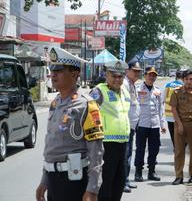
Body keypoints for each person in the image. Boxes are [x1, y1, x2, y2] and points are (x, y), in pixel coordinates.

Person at [35, 47, 104, 201]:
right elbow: (52, 146)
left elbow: (96, 151)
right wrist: (44, 180)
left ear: (74, 74)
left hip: (74, 181)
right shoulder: (55, 103)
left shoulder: (86, 105)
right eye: (52, 69)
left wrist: (93, 189)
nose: (53, 74)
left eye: (58, 70)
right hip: (52, 179)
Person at [90, 60, 131, 201]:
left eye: (120, 76)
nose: (117, 79)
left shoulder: (125, 92)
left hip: (123, 143)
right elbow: (88, 116)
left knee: (119, 182)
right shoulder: (98, 91)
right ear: (106, 75)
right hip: (105, 144)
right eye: (113, 76)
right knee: (105, 184)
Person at [170, 69, 192, 185]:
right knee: (179, 151)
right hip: (180, 123)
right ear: (183, 80)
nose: (189, 81)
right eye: (186, 79)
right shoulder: (176, 92)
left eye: (191, 79)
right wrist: (179, 125)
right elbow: (174, 109)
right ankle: (179, 176)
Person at [134, 67, 166, 182]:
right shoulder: (137, 89)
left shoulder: (157, 90)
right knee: (140, 149)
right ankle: (138, 172)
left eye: (154, 76)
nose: (152, 77)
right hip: (141, 123)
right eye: (149, 75)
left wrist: (162, 124)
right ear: (145, 76)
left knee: (154, 149)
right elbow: (133, 107)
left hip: (154, 124)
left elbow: (160, 108)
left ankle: (151, 171)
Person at [122, 58, 142, 193]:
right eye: (134, 71)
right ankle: (123, 182)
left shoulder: (132, 84)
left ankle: (126, 180)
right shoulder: (124, 84)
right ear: (127, 70)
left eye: (138, 71)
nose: (137, 73)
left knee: (128, 154)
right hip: (126, 126)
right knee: (125, 155)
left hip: (132, 126)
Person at [163, 70, 184, 148]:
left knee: (173, 136)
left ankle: (176, 150)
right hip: (180, 115)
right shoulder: (184, 86)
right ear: (183, 78)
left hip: (169, 115)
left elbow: (163, 99)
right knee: (180, 136)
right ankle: (179, 152)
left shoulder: (168, 85)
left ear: (176, 77)